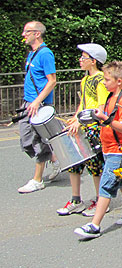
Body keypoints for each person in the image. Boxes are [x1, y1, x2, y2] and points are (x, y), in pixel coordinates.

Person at [74, 61, 122, 238]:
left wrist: (105, 119)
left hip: (118, 150)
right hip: (108, 147)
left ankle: (95, 226)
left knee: (106, 186)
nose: (104, 83)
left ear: (119, 81)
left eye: (106, 79)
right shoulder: (111, 96)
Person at [56, 43, 108, 216]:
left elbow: (100, 107)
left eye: (84, 57)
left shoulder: (100, 79)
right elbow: (83, 103)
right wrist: (75, 118)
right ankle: (76, 199)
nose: (80, 60)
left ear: (93, 61)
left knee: (95, 166)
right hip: (82, 125)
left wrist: (83, 120)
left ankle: (100, 201)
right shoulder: (85, 80)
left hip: (92, 127)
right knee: (74, 163)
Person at [17, 21, 59, 194]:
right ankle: (56, 158)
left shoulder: (45, 54)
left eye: (27, 31)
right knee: (26, 138)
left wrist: (37, 101)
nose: (23, 35)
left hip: (39, 104)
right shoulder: (32, 54)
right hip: (29, 103)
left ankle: (37, 180)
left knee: (37, 140)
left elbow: (52, 81)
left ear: (37, 34)